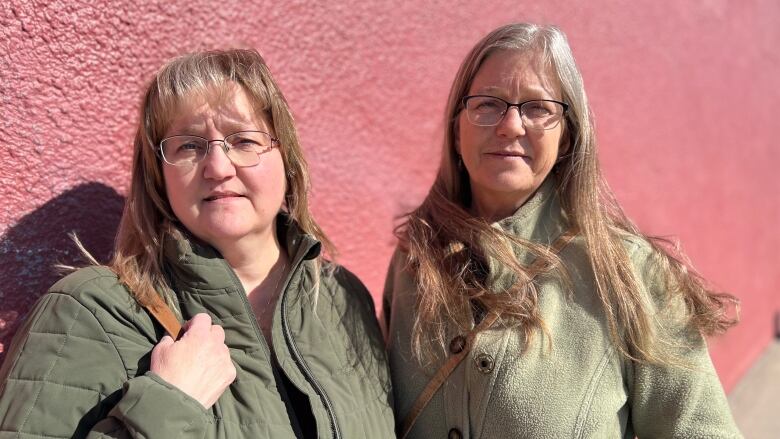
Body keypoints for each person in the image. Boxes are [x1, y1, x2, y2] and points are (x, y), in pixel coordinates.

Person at [0, 49, 395, 438]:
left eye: (243, 141)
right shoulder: (91, 314)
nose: (218, 168)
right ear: (159, 176)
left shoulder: (343, 299)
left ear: (286, 158)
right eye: (188, 146)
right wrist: (167, 407)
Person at [383, 23, 742, 438]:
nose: (511, 126)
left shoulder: (631, 274)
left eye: (538, 108)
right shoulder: (415, 262)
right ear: (457, 128)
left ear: (567, 137)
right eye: (487, 104)